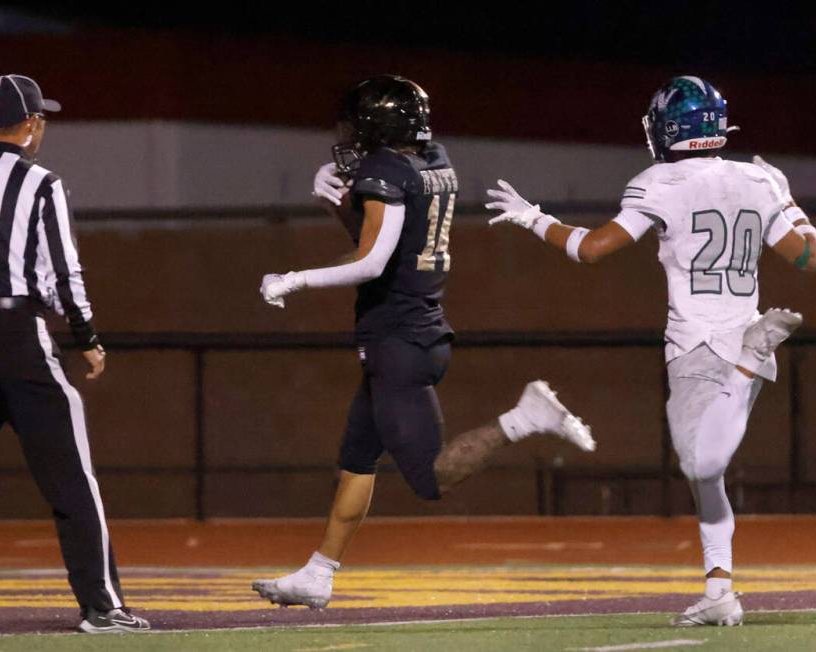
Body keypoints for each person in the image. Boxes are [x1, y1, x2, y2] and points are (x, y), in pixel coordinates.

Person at [485, 76, 816, 627]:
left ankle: (742, 369)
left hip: (699, 342)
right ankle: (720, 590)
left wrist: (533, 218)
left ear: (670, 129)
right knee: (706, 477)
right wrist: (788, 200)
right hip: (746, 325)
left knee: (699, 462)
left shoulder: (659, 181)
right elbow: (810, 260)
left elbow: (591, 250)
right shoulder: (758, 180)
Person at [252, 75, 596, 609]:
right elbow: (388, 238)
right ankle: (319, 572)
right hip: (407, 331)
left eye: (356, 127)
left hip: (401, 341)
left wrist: (294, 278)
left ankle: (525, 417)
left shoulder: (387, 171)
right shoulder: (432, 159)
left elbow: (371, 260)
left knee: (431, 479)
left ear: (377, 128)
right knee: (356, 462)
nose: (348, 137)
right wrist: (339, 203)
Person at [0, 74, 149, 634]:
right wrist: (86, 336)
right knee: (71, 475)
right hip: (18, 336)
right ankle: (101, 604)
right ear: (34, 124)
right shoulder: (42, 183)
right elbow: (64, 270)